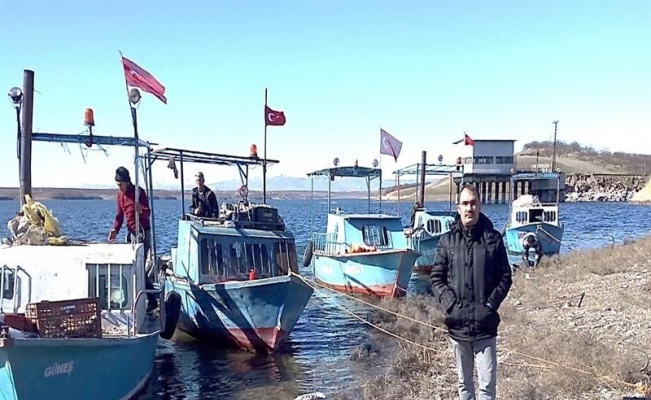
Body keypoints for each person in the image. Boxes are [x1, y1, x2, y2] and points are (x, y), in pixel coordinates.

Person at [430, 184, 512, 400]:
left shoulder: (493, 238)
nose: (469, 208)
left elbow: (505, 277)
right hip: (458, 328)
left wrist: (490, 305)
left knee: (487, 387)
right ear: (458, 208)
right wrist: (451, 306)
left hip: (485, 327)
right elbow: (436, 278)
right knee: (464, 385)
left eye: (473, 203)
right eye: (465, 203)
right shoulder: (447, 241)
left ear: (480, 206)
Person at [108, 166, 158, 312]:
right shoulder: (120, 196)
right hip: (130, 233)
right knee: (130, 266)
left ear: (127, 182)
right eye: (117, 185)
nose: (119, 187)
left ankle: (152, 300)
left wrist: (141, 210)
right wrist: (115, 230)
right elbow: (119, 216)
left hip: (143, 233)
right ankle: (132, 298)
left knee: (139, 267)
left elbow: (148, 212)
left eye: (121, 184)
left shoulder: (138, 193)